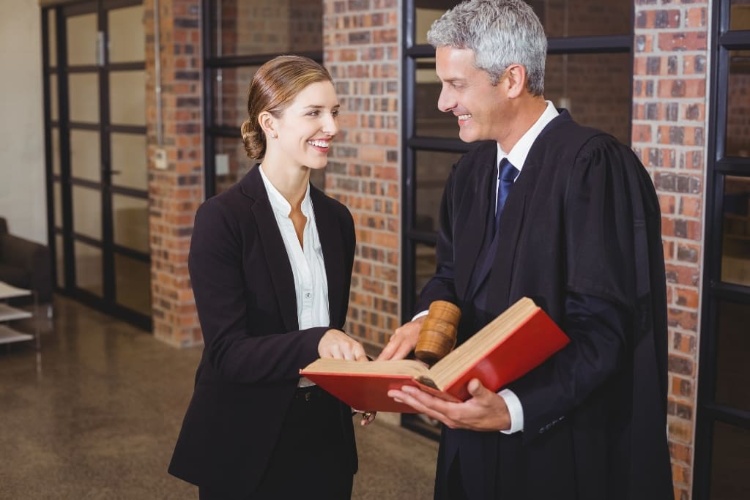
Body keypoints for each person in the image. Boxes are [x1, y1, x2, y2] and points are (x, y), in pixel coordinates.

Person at [379, 1, 674, 499]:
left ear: (511, 79)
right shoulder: (471, 174)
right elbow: (451, 274)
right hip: (469, 435)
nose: (442, 103)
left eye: (456, 84)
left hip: (556, 446)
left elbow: (605, 330)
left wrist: (514, 408)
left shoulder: (593, 167)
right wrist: (426, 320)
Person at [168, 55, 374, 500]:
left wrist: (355, 381)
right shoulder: (222, 219)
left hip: (325, 436)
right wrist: (318, 340)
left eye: (334, 112)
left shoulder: (338, 221)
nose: (331, 127)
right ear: (270, 123)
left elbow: (325, 328)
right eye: (314, 113)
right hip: (246, 439)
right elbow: (227, 352)